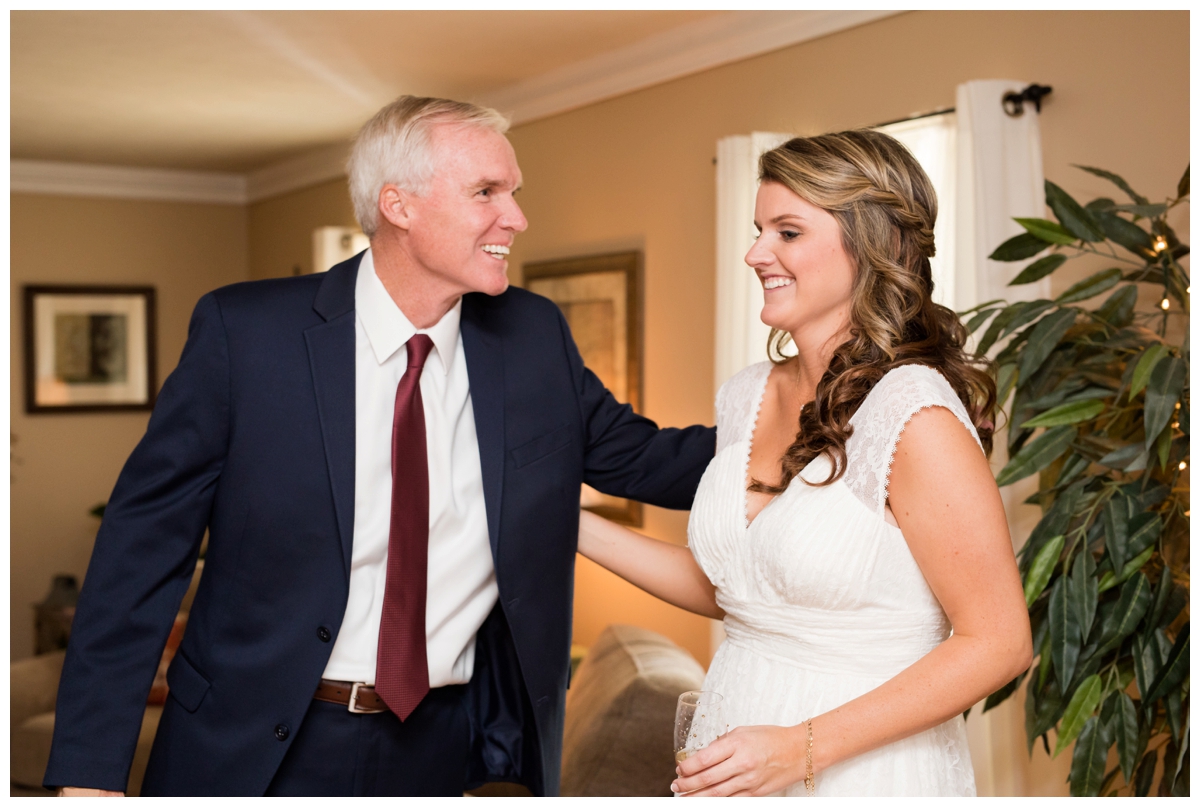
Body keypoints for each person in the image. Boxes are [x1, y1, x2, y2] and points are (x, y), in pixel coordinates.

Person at [45, 95, 716, 796]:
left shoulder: (532, 337)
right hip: (250, 744)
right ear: (399, 205)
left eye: (513, 192)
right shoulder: (246, 336)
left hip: (440, 748)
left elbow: (655, 461)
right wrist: (88, 777)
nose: (515, 216)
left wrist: (828, 416)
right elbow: (138, 557)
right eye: (487, 192)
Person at [578, 130, 1032, 796]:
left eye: (786, 232)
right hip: (734, 752)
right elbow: (737, 588)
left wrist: (801, 749)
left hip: (864, 770)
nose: (755, 252)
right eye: (759, 229)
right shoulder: (747, 392)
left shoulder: (914, 412)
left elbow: (999, 642)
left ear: (876, 243)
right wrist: (570, 526)